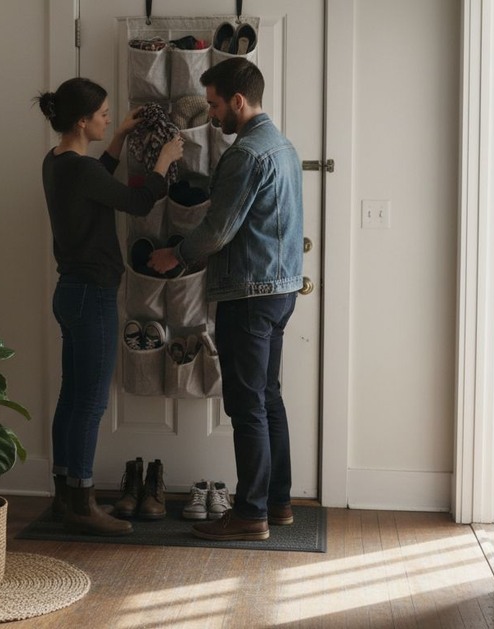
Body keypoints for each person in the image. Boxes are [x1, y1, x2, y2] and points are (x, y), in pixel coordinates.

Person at [148, 59, 303, 541]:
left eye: (215, 104)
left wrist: (174, 255)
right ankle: (278, 504)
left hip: (249, 295)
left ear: (238, 101)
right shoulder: (285, 147)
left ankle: (250, 513)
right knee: (268, 399)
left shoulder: (246, 154)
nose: (212, 115)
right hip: (280, 290)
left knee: (246, 405)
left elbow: (217, 232)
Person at [37, 78, 184, 536]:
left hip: (71, 293)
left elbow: (97, 180)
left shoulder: (58, 161)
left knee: (71, 397)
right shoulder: (80, 170)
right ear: (82, 121)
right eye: (102, 114)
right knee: (91, 403)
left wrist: (118, 137)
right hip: (92, 295)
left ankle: (65, 495)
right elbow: (137, 201)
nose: (107, 118)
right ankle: (83, 503)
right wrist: (164, 161)